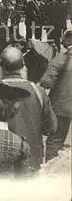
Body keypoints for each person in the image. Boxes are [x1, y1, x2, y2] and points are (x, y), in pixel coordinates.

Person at [0, 47, 57, 171]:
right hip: (31, 163)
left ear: (0, 66)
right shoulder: (38, 92)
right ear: (23, 66)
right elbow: (50, 128)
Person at [42, 30, 72, 162]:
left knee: (56, 140)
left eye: (64, 39)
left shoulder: (62, 58)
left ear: (69, 41)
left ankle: (50, 170)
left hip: (62, 106)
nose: (62, 41)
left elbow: (46, 82)